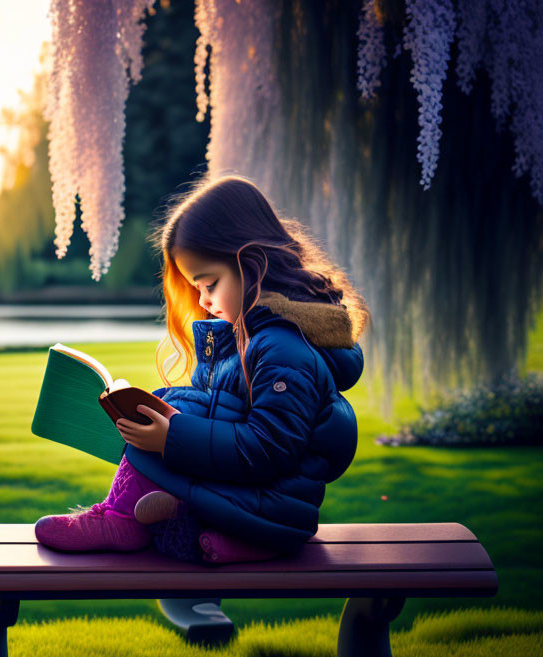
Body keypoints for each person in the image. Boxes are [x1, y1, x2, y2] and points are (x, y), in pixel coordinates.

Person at [35, 174, 370, 563]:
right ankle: (178, 521)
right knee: (175, 405)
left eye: (209, 284)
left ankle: (122, 518)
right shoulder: (248, 337)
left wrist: (171, 436)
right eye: (197, 289)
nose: (204, 300)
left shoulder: (283, 350)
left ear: (252, 266)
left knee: (179, 410)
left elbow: (268, 449)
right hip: (247, 498)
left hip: (276, 510)